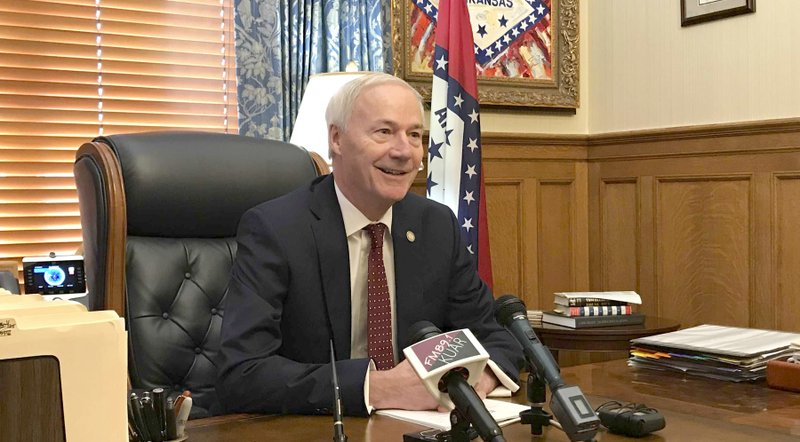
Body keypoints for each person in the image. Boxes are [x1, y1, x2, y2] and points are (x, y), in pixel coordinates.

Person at [216, 72, 523, 416]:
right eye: (384, 132)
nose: (404, 152)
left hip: (423, 426)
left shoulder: (436, 226)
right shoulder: (276, 229)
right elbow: (242, 373)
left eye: (414, 135)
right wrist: (377, 387)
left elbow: (495, 338)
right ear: (337, 139)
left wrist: (477, 381)